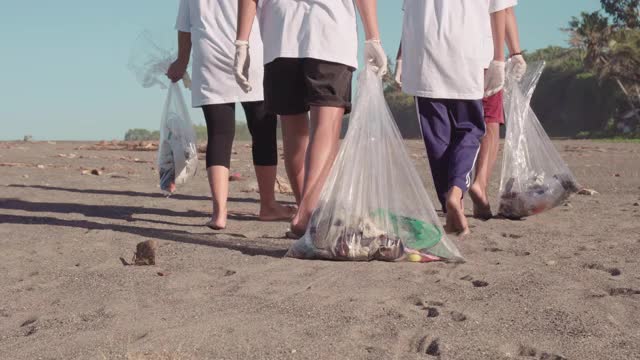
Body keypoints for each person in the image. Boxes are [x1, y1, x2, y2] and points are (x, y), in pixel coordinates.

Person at [235, 0, 388, 238]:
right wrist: (373, 37)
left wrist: (242, 42)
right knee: (326, 126)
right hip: (329, 32)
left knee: (293, 131)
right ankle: (306, 213)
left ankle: (307, 213)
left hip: (280, 34)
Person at [167, 0, 295, 230]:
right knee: (263, 131)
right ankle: (268, 205)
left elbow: (184, 26)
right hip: (251, 53)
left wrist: (182, 61)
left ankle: (219, 213)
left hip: (209, 57)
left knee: (219, 134)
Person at [395, 0, 510, 235]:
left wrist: (402, 53)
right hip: (467, 53)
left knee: (436, 137)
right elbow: (500, 7)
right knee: (470, 130)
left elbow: (409, 11)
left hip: (423, 53)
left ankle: (449, 201)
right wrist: (499, 57)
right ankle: (455, 192)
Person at [470, 3, 527, 219]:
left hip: (447, 58)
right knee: (490, 121)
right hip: (486, 56)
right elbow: (505, 9)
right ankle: (480, 184)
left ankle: (452, 191)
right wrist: (515, 52)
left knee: (456, 122)